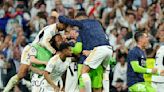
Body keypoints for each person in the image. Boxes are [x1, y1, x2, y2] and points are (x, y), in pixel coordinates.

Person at [52, 11, 113, 92]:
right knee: (105, 74)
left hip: (96, 52)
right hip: (108, 49)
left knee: (84, 71)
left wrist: (57, 15)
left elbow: (67, 21)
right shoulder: (97, 23)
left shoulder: (82, 24)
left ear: (79, 19)